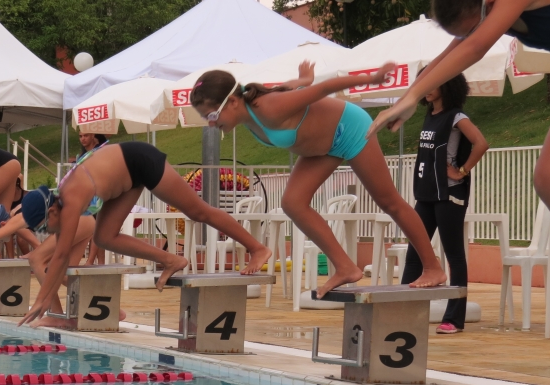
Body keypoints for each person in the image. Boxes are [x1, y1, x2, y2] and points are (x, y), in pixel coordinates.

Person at [370, 0, 550, 321]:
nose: (473, 34)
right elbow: (451, 53)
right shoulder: (480, 12)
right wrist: (408, 96)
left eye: (472, 27)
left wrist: (411, 97)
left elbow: (477, 46)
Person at [189, 62, 448, 298]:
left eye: (212, 116)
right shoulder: (254, 111)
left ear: (233, 102)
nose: (211, 124)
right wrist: (302, 79)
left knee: (388, 201)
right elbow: (289, 89)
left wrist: (373, 77)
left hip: (350, 129)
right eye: (205, 118)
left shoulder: (269, 108)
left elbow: (325, 88)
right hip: (322, 148)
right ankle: (345, 267)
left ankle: (433, 268)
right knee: (293, 203)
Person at [17, 142, 271, 326]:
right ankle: (172, 260)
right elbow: (60, 256)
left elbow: (60, 257)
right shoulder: (60, 203)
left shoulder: (70, 201)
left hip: (141, 160)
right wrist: (49, 303)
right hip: (126, 176)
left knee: (198, 212)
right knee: (105, 236)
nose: (45, 233)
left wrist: (42, 299)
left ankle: (256, 247)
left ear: (51, 212)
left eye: (42, 228)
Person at [402, 72, 489, 334]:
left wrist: (461, 170)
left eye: (431, 83)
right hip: (427, 194)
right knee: (415, 253)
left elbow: (481, 143)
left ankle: (454, 318)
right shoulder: (430, 115)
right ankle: (403, 313)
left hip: (449, 194)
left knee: (454, 256)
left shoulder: (457, 116)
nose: (425, 88)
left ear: (447, 84)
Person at [77, 133, 110, 264]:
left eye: (85, 135)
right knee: (95, 229)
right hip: (87, 193)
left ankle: (91, 261)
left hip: (98, 193)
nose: (83, 139)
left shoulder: (99, 152)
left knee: (97, 229)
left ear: (92, 136)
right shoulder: (83, 155)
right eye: (80, 136)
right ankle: (99, 262)